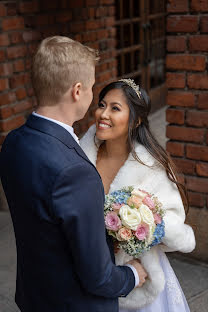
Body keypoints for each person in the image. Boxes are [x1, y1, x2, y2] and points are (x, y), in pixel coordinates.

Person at [0, 37, 148, 312]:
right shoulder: (76, 171)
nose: (93, 96)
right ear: (77, 91)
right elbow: (99, 277)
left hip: (35, 296)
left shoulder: (12, 143)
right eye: (92, 88)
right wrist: (133, 275)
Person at [80, 79, 196, 312]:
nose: (103, 114)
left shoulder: (151, 167)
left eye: (115, 108)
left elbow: (173, 221)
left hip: (139, 272)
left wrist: (137, 232)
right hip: (89, 266)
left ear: (136, 120)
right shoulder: (80, 156)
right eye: (102, 105)